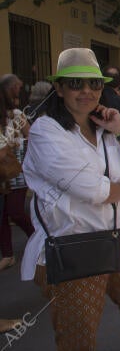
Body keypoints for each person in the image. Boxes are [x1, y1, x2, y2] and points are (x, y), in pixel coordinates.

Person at [21, 48, 120, 350]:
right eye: (75, 84)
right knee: (78, 336)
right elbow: (90, 189)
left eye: (94, 84)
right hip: (76, 243)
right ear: (59, 88)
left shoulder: (108, 127)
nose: (86, 91)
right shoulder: (46, 131)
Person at [0, 76, 32, 271]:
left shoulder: (16, 116)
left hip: (16, 171)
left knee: (16, 212)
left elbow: (31, 136)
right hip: (2, 175)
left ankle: (39, 239)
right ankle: (7, 255)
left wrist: (15, 143)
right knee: (3, 215)